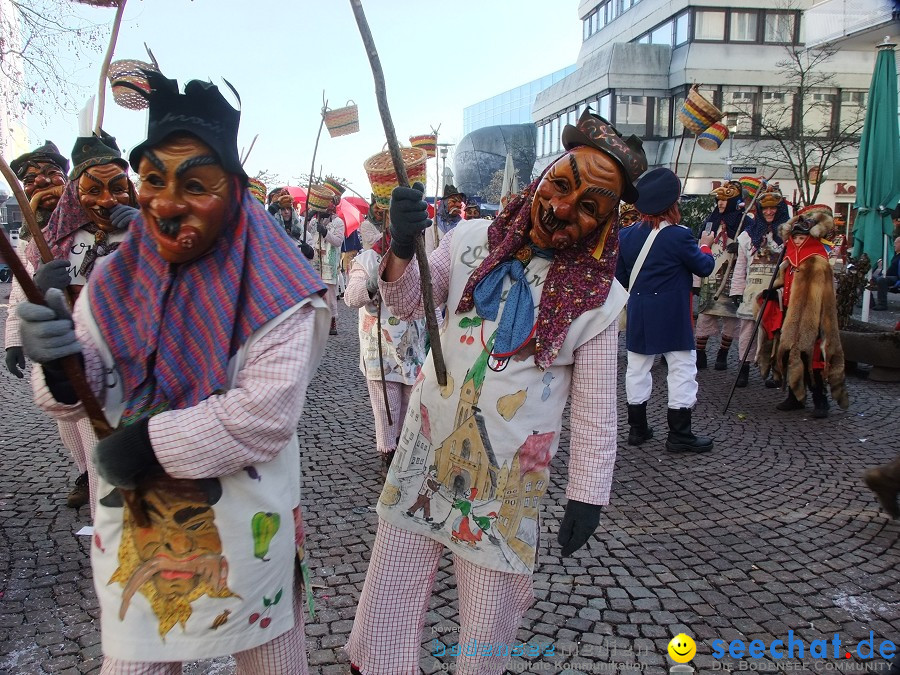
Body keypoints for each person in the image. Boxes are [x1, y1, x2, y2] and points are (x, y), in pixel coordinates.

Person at [17, 70, 329, 673]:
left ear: (234, 189)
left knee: (270, 660)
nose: (166, 203)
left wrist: (149, 445)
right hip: (139, 528)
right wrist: (62, 369)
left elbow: (264, 415)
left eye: (194, 183)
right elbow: (93, 386)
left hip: (247, 520)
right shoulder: (116, 277)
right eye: (153, 180)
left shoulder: (280, 284)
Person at [346, 109, 646, 675]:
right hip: (425, 447)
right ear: (544, 176)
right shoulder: (469, 239)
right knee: (395, 575)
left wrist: (588, 494)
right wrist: (404, 247)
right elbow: (411, 303)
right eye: (561, 185)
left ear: (607, 222)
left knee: (492, 601)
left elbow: (598, 412)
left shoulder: (602, 300)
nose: (562, 210)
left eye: (588, 206)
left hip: (511, 473)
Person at [9, 133, 138, 510]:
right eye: (93, 189)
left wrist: (148, 233)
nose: (106, 200)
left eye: (117, 187)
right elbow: (28, 289)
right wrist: (39, 292)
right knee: (95, 447)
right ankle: (100, 500)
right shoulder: (56, 239)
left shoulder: (148, 231)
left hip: (141, 360)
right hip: (86, 362)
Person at [616, 168, 715, 453]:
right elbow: (704, 267)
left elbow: (622, 279)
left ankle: (637, 429)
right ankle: (680, 434)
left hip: (639, 310)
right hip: (672, 313)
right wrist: (706, 247)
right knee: (682, 369)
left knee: (637, 369)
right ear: (672, 204)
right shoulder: (680, 236)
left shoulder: (626, 235)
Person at [344, 207, 427, 474]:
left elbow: (434, 293)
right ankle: (388, 455)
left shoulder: (421, 256)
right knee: (385, 404)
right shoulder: (368, 258)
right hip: (379, 346)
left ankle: (407, 451)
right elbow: (351, 296)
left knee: (412, 400)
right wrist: (372, 282)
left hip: (413, 345)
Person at [759, 204, 849, 418]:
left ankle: (820, 399)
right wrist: (773, 294)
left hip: (812, 319)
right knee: (789, 355)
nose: (798, 242)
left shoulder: (819, 263)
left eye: (802, 238)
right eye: (795, 238)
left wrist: (819, 323)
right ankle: (795, 396)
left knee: (813, 360)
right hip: (790, 316)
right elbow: (783, 285)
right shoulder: (788, 263)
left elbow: (825, 299)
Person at [729, 187, 787, 388]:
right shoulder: (748, 236)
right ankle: (743, 369)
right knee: (747, 332)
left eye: (773, 208)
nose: (769, 212)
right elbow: (740, 267)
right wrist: (736, 290)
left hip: (777, 293)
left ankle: (776, 371)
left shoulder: (787, 236)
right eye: (765, 209)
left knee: (777, 332)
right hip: (753, 291)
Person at [694, 181, 749, 371]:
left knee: (730, 319)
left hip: (731, 278)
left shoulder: (745, 223)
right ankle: (700, 354)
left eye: (726, 200)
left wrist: (741, 247)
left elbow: (752, 248)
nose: (721, 204)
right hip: (710, 275)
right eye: (719, 200)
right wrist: (696, 279)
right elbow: (700, 248)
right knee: (704, 316)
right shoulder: (710, 221)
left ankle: (723, 354)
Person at [305, 192, 345, 335]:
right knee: (315, 292)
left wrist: (325, 233)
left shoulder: (338, 222)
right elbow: (306, 233)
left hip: (329, 261)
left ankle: (332, 320)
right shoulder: (315, 221)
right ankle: (315, 320)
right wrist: (308, 216)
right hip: (315, 261)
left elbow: (338, 241)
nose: (328, 209)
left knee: (329, 293)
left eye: (330, 206)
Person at [873, 236, 900, 310]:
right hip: (887, 276)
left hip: (896, 278)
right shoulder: (894, 255)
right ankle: (869, 301)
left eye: (896, 243)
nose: (894, 245)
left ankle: (882, 304)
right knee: (867, 278)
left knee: (882, 280)